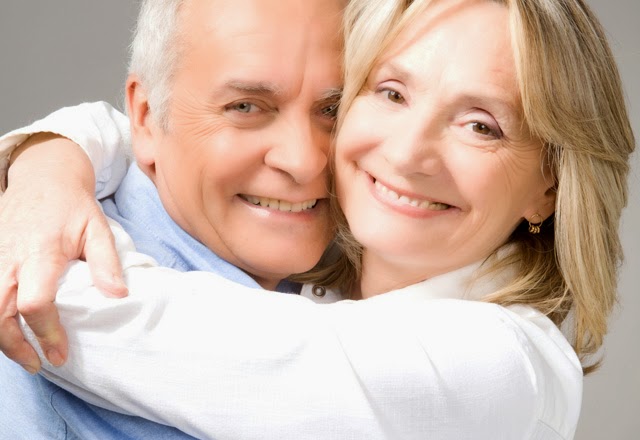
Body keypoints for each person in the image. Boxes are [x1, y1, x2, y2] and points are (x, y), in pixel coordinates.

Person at [0, 0, 635, 438]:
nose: (406, 154)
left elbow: (129, 328)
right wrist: (51, 159)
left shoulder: (502, 364)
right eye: (391, 93)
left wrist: (36, 184)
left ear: (549, 187)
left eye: (480, 126)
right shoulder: (311, 274)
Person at [0, 0, 344, 437]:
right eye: (245, 107)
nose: (305, 161)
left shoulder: (365, 262)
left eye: (332, 110)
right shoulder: (49, 305)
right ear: (145, 118)